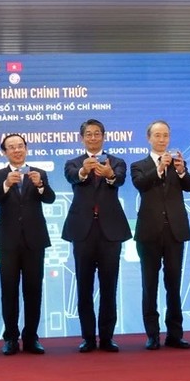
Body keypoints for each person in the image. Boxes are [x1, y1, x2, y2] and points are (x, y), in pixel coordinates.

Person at [62, 119, 132, 353]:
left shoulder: (117, 161)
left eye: (97, 134)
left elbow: (119, 178)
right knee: (84, 286)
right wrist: (85, 170)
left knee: (109, 286)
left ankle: (107, 337)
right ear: (81, 138)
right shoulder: (73, 163)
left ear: (104, 136)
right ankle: (88, 338)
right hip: (83, 232)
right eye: (88, 134)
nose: (93, 138)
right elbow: (72, 177)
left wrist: (109, 173)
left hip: (110, 232)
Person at [0, 134, 56, 355]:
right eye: (11, 147)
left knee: (33, 290)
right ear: (4, 152)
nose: (17, 150)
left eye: (20, 146)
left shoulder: (39, 173)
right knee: (9, 291)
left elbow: (50, 199)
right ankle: (10, 338)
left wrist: (41, 185)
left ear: (26, 149)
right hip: (7, 242)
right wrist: (7, 184)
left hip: (34, 241)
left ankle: (31, 337)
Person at [131, 121, 190, 350]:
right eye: (157, 135)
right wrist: (159, 168)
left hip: (175, 232)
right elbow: (141, 184)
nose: (162, 139)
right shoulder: (139, 165)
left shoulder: (178, 163)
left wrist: (180, 170)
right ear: (149, 138)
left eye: (165, 135)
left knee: (174, 284)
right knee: (150, 285)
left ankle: (175, 334)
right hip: (149, 233)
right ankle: (152, 335)